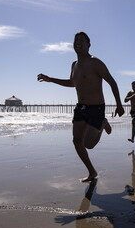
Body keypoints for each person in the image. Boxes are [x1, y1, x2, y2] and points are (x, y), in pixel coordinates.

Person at [37, 32, 124, 182]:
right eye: (76, 40)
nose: (78, 42)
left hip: (96, 108)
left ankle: (102, 124)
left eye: (82, 40)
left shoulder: (95, 62)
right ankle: (92, 172)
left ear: (89, 45)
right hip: (81, 107)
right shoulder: (74, 65)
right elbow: (72, 83)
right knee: (77, 141)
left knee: (88, 144)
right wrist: (51, 79)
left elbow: (112, 81)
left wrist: (119, 104)